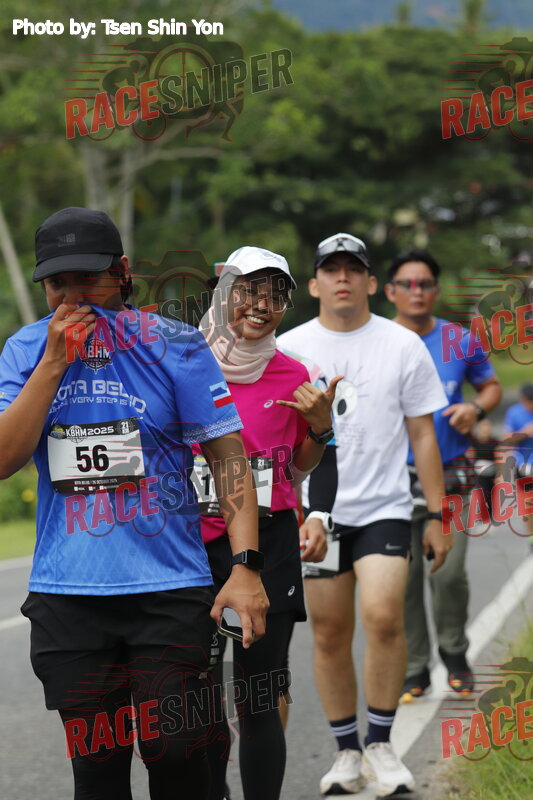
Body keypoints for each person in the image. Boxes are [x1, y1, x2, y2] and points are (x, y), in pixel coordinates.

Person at [0, 207, 269, 800]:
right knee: (97, 768)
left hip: (168, 590)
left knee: (176, 754)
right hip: (69, 595)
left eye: (88, 278)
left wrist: (246, 567)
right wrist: (54, 363)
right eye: (58, 283)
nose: (73, 296)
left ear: (122, 272)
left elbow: (229, 459)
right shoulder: (25, 350)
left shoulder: (175, 345)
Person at [277, 232, 450, 797]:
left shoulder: (402, 344)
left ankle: (380, 743)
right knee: (329, 631)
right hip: (316, 515)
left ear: (373, 283)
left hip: (385, 507)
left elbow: (423, 435)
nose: (343, 278)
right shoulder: (290, 348)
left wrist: (437, 513)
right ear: (314, 284)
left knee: (383, 616)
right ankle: (347, 752)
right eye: (332, 270)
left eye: (353, 269)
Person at [197, 246, 340, 800]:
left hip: (269, 541)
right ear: (223, 292)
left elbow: (298, 469)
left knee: (258, 698)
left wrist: (321, 429)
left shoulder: (295, 373)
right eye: (249, 291)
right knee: (198, 698)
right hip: (192, 542)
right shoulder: (183, 362)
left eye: (276, 296)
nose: (262, 305)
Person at [385, 249, 502, 700]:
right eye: (407, 284)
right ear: (390, 291)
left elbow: (490, 386)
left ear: (436, 290)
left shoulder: (459, 340)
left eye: (425, 284)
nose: (416, 292)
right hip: (392, 478)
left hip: (453, 473)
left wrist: (476, 408)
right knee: (405, 579)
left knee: (448, 574)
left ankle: (454, 653)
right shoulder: (375, 340)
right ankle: (415, 667)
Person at [503, 383, 533, 544]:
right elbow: (507, 439)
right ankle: (531, 541)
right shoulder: (514, 412)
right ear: (522, 399)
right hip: (524, 465)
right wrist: (525, 433)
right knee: (528, 503)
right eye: (528, 401)